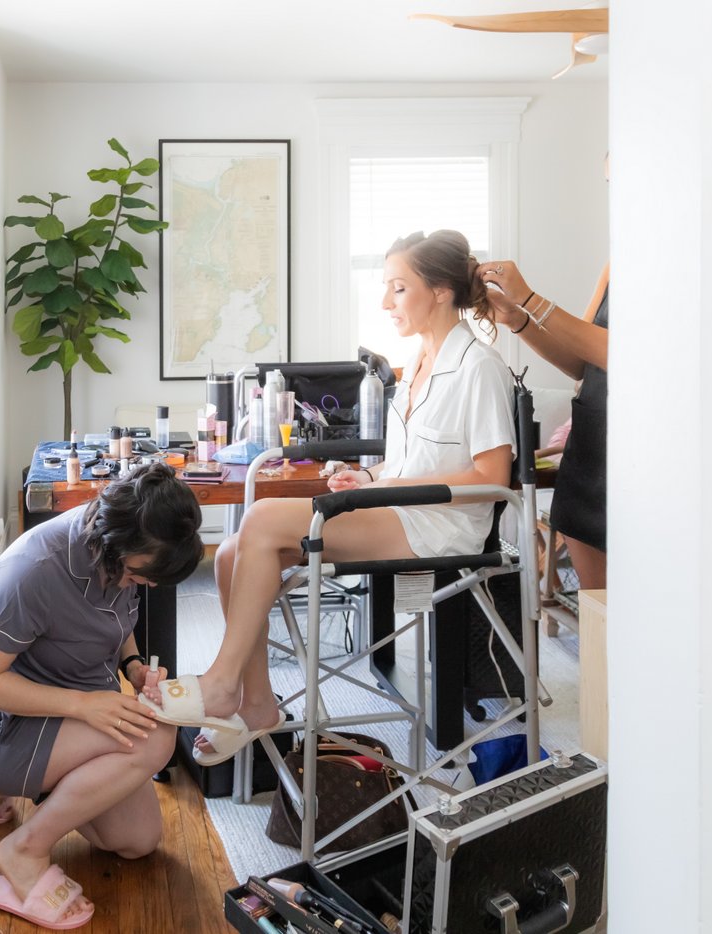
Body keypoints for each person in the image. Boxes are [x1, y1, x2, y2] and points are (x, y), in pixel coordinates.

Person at [140, 230, 516, 762]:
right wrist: (370, 478)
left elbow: (493, 475)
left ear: (440, 291)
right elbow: (414, 459)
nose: (385, 302)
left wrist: (388, 488)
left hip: (438, 525)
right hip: (398, 508)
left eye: (398, 288)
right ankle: (257, 703)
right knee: (228, 555)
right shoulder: (416, 365)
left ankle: (222, 683)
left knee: (262, 517)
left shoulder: (479, 367)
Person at [0, 462, 203, 930]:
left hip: (70, 709)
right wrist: (84, 705)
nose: (147, 585)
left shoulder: (117, 551)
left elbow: (118, 622)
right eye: (142, 576)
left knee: (138, 841)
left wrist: (134, 667)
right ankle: (24, 848)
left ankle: (35, 782)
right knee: (155, 737)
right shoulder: (31, 571)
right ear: (115, 546)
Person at [476, 258, 608, 592]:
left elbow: (628, 357)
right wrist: (517, 318)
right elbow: (581, 365)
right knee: (598, 608)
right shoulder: (613, 267)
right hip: (589, 454)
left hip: (634, 454)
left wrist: (529, 299)